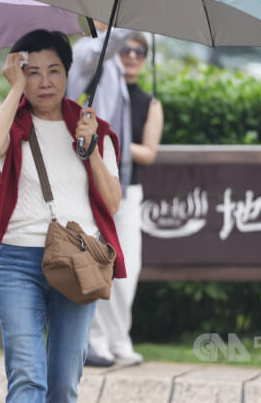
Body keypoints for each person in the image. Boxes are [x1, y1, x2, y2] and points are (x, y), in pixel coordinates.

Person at [0, 29, 126, 403]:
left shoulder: (93, 128)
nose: (45, 82)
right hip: (18, 261)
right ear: (19, 74)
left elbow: (112, 203)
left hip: (79, 260)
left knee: (63, 383)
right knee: (27, 378)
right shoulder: (11, 123)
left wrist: (91, 149)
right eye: (33, 72)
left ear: (68, 72)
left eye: (54, 70)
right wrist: (14, 90)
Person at [83, 32, 164, 367]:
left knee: (125, 268)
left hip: (129, 190)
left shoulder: (150, 102)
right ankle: (96, 341)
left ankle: (120, 339)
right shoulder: (98, 87)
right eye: (126, 49)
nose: (132, 56)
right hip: (94, 186)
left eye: (139, 51)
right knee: (94, 262)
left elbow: (149, 152)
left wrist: (113, 137)